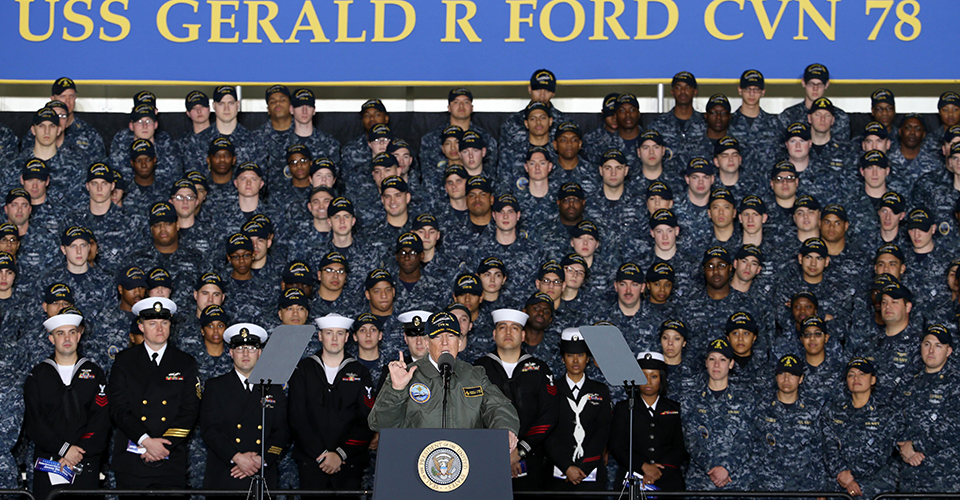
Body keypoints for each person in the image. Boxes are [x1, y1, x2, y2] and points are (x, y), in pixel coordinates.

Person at [368, 310, 519, 441]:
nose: (445, 343)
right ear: (427, 343)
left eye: (451, 336)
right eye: (438, 336)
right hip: (417, 458)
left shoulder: (474, 375)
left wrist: (505, 429)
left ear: (459, 343)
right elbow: (379, 424)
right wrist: (396, 390)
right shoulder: (407, 374)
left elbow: (498, 407)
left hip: (466, 457)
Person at [108, 297, 200, 495]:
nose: (159, 329)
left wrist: (163, 446)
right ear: (141, 327)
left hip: (170, 456)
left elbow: (190, 410)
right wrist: (146, 441)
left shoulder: (185, 362)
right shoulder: (124, 361)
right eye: (152, 323)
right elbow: (118, 407)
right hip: (133, 458)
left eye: (164, 323)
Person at [24, 309, 110, 500]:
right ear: (51, 339)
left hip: (84, 461)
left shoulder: (95, 373)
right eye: (60, 333)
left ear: (79, 336)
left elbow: (101, 419)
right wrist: (64, 449)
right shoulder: (37, 375)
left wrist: (78, 451)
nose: (67, 338)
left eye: (72, 332)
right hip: (49, 463)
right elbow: (34, 422)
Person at [288, 313, 374, 493]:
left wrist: (340, 454)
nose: (334, 338)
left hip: (349, 462)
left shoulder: (360, 372)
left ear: (347, 337)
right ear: (320, 336)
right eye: (328, 333)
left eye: (339, 333)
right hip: (311, 461)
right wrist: (321, 454)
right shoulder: (303, 369)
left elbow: (367, 420)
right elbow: (297, 417)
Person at [474, 308, 558, 490]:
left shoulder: (540, 369)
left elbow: (549, 415)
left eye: (514, 328)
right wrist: (501, 452)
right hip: (488, 457)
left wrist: (520, 451)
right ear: (494, 334)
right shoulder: (478, 369)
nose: (508, 332)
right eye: (502, 327)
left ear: (523, 335)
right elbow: (473, 415)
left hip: (532, 457)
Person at [201, 323, 288, 496]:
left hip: (261, 473)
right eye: (240, 349)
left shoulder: (274, 388)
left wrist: (260, 460)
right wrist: (237, 458)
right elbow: (209, 430)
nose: (246, 354)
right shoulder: (215, 386)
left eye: (251, 348)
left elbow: (283, 430)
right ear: (231, 353)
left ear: (260, 353)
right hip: (226, 474)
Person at [681, 338, 755, 491]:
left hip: (736, 481)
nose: (716, 365)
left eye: (722, 360)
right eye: (712, 359)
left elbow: (747, 439)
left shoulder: (745, 399)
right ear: (706, 363)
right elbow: (691, 439)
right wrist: (712, 467)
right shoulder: (691, 399)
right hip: (701, 481)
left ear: (731, 364)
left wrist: (726, 467)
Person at [893, 324, 960, 492]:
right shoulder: (909, 383)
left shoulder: (955, 383)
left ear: (948, 351)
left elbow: (954, 426)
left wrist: (916, 446)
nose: (931, 350)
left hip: (946, 478)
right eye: (927, 344)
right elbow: (893, 419)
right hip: (910, 476)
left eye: (938, 346)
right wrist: (903, 447)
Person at [544, 328, 611, 495]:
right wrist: (567, 467)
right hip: (558, 474)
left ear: (587, 358)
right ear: (562, 358)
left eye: (580, 355)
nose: (575, 360)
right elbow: (547, 433)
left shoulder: (600, 390)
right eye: (569, 355)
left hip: (592, 474)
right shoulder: (551, 390)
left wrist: (583, 468)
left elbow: (603, 431)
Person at [821, 357, 900, 499]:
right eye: (851, 375)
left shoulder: (887, 414)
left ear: (873, 380)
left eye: (862, 374)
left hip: (874, 488)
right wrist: (844, 476)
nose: (856, 378)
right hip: (839, 486)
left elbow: (881, 452)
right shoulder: (834, 411)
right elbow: (829, 446)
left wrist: (852, 474)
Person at [610, 351, 685, 492]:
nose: (648, 381)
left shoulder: (674, 408)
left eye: (654, 376)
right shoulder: (624, 408)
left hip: (667, 479)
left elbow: (680, 447)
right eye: (643, 376)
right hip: (631, 478)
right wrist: (643, 466)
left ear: (662, 379)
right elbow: (617, 446)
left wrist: (658, 471)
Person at [749, 354, 826, 492]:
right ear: (776, 377)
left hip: (803, 486)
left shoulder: (813, 409)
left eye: (792, 374)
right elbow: (753, 447)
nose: (786, 379)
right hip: (767, 485)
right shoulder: (762, 407)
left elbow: (818, 451)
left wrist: (820, 487)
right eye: (782, 374)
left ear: (801, 379)